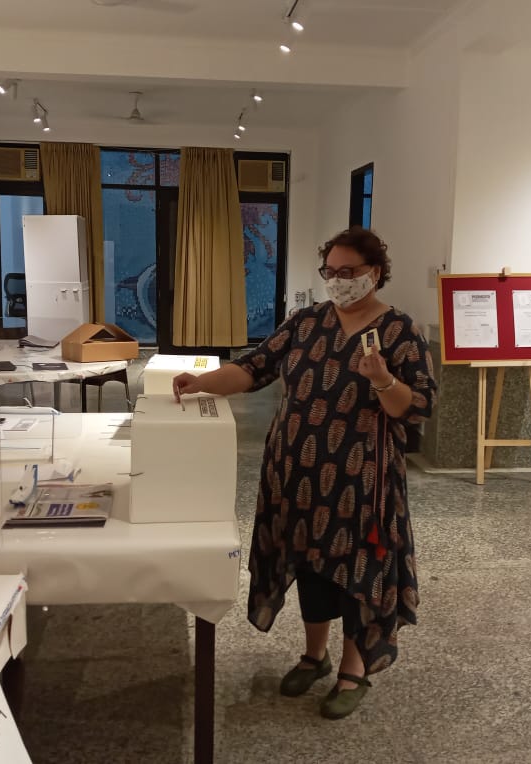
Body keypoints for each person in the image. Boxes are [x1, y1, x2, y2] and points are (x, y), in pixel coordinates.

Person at [173, 227, 436, 720]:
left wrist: (383, 379)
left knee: (357, 571)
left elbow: (418, 406)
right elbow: (254, 368)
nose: (337, 280)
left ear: (375, 273)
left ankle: (353, 669)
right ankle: (315, 655)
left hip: (362, 481)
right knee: (310, 564)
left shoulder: (399, 331)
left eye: (348, 271)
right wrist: (201, 382)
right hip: (296, 473)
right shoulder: (307, 321)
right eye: (330, 271)